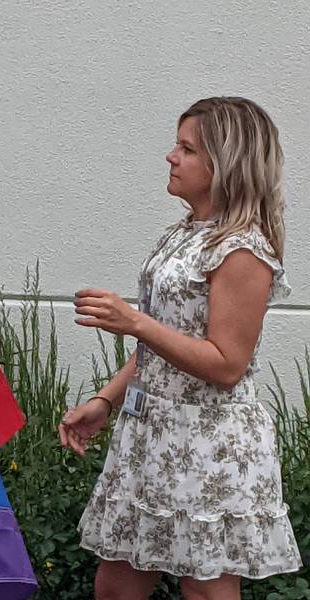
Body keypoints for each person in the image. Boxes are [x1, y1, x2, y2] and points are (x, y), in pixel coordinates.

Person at [59, 97, 301, 600]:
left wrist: (136, 323)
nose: (172, 156)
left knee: (206, 590)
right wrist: (107, 400)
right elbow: (166, 342)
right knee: (116, 585)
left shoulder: (241, 250)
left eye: (187, 148)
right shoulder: (184, 235)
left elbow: (227, 364)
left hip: (207, 445)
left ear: (224, 164)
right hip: (152, 438)